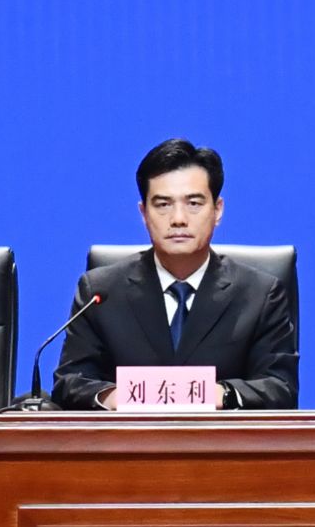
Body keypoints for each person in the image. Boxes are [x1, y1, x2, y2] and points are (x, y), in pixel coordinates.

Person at [48, 139, 301, 410]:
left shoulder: (260, 294)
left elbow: (280, 387)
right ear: (144, 213)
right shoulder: (100, 292)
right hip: (129, 436)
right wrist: (117, 397)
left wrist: (220, 394)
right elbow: (70, 383)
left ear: (217, 210)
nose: (178, 218)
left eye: (194, 203)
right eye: (163, 204)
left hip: (220, 436)